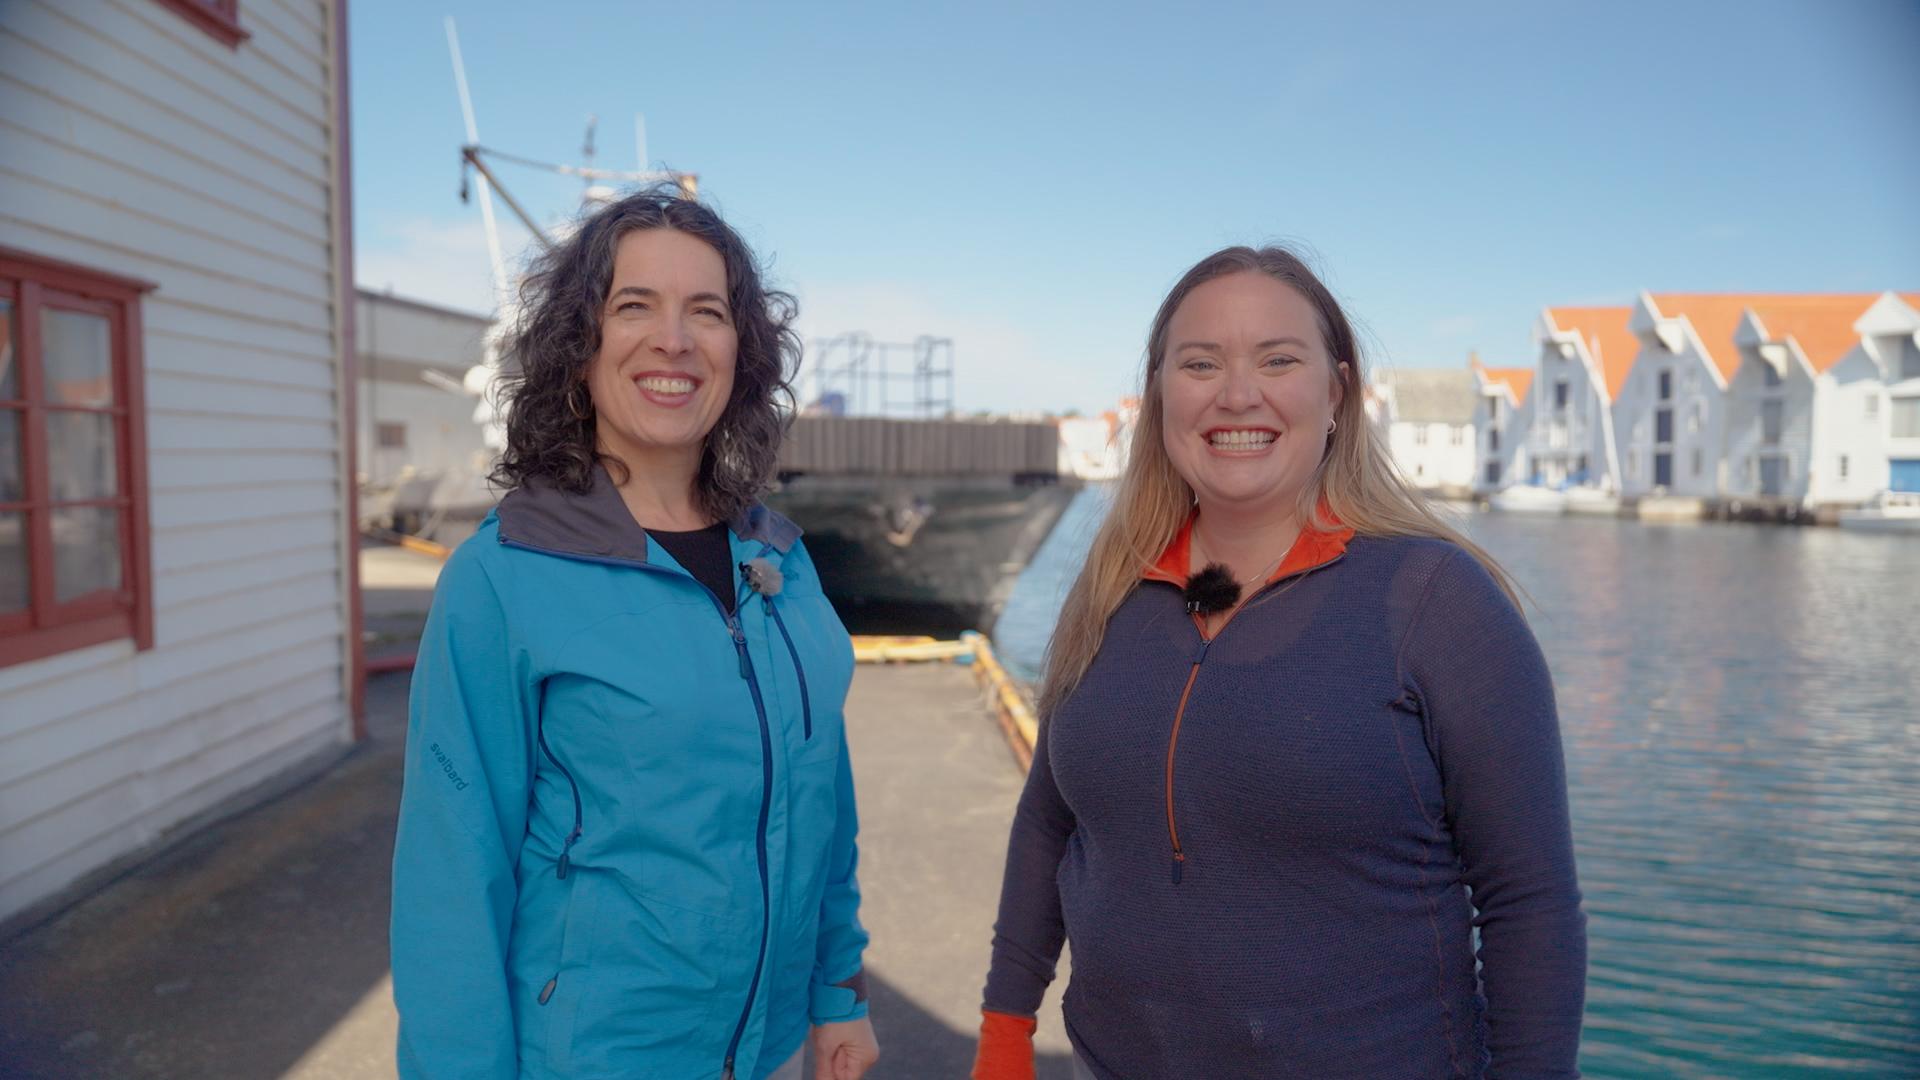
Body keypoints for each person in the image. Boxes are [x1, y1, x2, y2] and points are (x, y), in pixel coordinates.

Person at [971, 246, 1586, 1079]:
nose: (1236, 393)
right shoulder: (1113, 589)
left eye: (1277, 359)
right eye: (1199, 363)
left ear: (1336, 393)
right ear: (1159, 396)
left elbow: (1529, 903)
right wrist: (1006, 1032)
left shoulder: (1437, 602)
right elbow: (1051, 819)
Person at [390, 187, 878, 1080]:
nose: (676, 340)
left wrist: (837, 990)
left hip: (767, 1053)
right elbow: (450, 882)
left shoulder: (782, 563)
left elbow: (820, 794)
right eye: (634, 307)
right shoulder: (503, 579)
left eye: (708, 311)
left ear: (742, 349)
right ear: (580, 346)